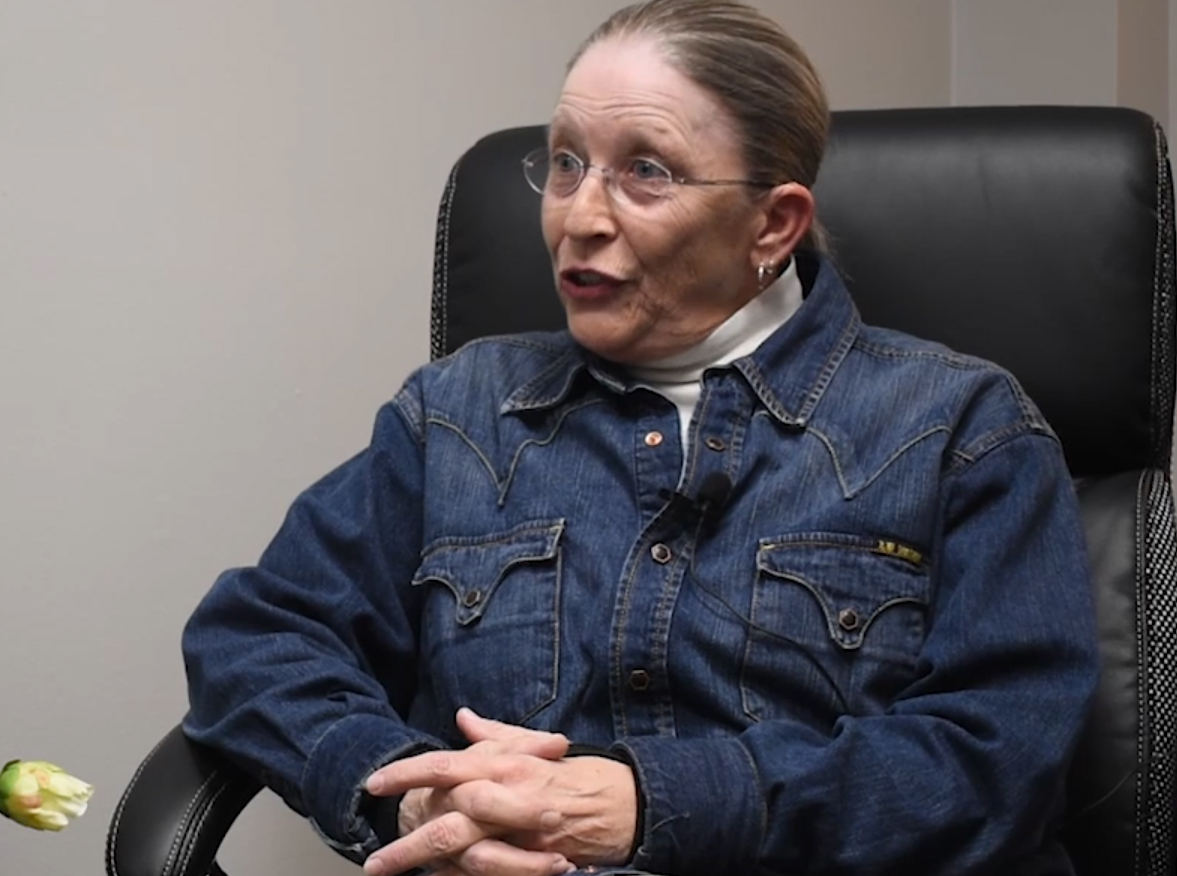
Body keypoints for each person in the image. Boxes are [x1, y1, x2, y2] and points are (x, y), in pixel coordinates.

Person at [181, 1, 1099, 874]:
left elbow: (993, 763)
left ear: (773, 223)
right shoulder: (457, 415)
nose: (578, 217)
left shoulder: (961, 429)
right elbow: (255, 638)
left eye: (646, 171)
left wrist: (642, 804)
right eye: (567, 162)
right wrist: (408, 793)